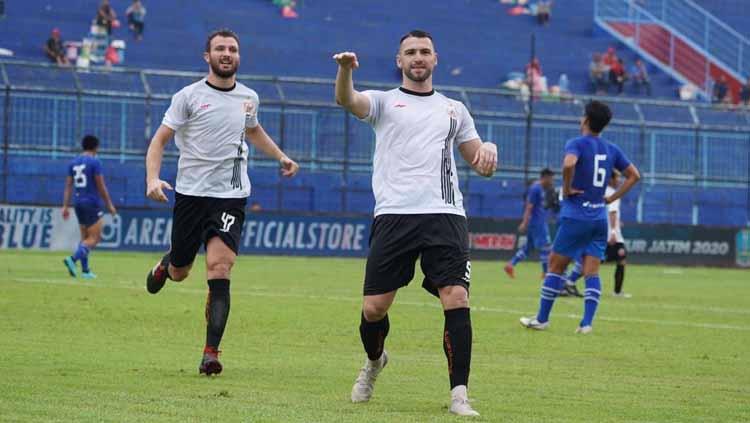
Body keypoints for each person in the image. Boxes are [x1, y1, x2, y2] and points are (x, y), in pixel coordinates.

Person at [333, 29, 497, 416]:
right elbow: (347, 100)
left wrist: (489, 150)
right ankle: (374, 362)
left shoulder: (454, 109)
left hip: (445, 214)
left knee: (456, 297)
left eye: (424, 51)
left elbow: (479, 162)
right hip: (394, 215)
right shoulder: (383, 102)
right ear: (400, 61)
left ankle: (459, 395)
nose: (418, 57)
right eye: (411, 52)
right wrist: (344, 71)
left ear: (435, 59)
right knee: (374, 309)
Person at [143, 29, 300, 376]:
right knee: (182, 271)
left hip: (230, 196)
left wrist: (280, 156)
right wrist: (153, 178)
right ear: (207, 56)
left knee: (220, 266)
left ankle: (210, 353)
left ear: (239, 56)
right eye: (220, 49)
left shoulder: (249, 98)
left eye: (232, 49)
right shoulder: (188, 96)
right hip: (191, 195)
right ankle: (167, 265)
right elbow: (159, 141)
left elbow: (253, 129)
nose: (227, 54)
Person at [519, 100, 640, 334]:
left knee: (555, 265)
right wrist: (611, 199)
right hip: (599, 217)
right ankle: (586, 324)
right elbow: (634, 175)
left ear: (585, 119)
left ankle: (542, 319)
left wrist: (566, 188)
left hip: (576, 215)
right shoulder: (611, 148)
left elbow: (568, 164)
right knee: (591, 270)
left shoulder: (577, 143)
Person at [62, 135, 117, 279]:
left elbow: (68, 186)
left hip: (78, 202)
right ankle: (72, 259)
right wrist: (109, 204)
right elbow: (101, 186)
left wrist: (65, 206)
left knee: (85, 238)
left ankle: (85, 271)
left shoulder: (73, 163)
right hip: (91, 203)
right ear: (96, 147)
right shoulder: (94, 162)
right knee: (94, 238)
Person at [504, 168, 555, 279]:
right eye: (551, 179)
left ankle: (510, 265)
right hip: (537, 222)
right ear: (545, 177)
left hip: (537, 221)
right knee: (546, 247)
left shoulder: (541, 189)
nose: (552, 182)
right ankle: (546, 273)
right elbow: (529, 206)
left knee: (528, 247)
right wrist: (524, 222)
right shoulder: (535, 188)